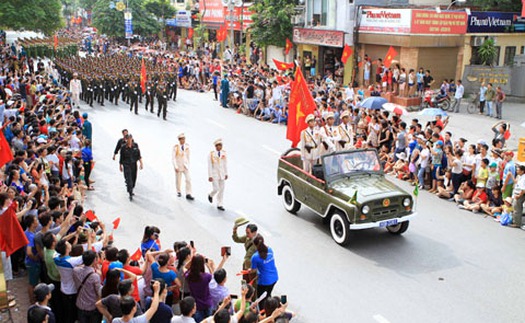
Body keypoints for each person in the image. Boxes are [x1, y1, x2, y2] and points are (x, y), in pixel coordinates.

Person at [250, 234, 278, 310]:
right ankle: (272, 309)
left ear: (255, 245)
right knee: (268, 295)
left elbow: (253, 270)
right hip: (274, 278)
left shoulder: (255, 257)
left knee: (261, 300)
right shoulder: (270, 250)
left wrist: (250, 270)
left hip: (264, 281)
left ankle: (264, 314)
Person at [73, 250, 102, 323]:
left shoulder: (75, 270)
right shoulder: (95, 276)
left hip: (80, 304)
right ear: (94, 260)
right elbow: (99, 292)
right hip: (92, 307)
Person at [119, 134, 143, 201]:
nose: (129, 140)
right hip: (126, 165)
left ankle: (131, 188)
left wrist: (141, 163)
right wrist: (120, 165)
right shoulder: (123, 147)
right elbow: (121, 157)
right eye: (128, 139)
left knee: (133, 178)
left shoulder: (135, 145)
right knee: (129, 179)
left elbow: (139, 155)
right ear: (126, 140)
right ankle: (130, 192)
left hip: (133, 164)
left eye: (130, 139)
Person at [208, 139, 228, 211]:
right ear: (215, 146)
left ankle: (220, 204)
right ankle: (211, 195)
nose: (220, 147)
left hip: (222, 174)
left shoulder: (224, 153)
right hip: (215, 174)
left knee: (222, 189)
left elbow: (225, 164)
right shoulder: (211, 154)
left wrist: (226, 173)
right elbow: (209, 165)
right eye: (218, 145)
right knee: (216, 189)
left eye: (221, 145)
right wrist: (210, 176)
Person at [172, 133, 194, 200]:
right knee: (178, 179)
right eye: (182, 139)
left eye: (184, 139)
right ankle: (178, 191)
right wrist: (175, 166)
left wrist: (187, 164)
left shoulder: (187, 146)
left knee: (188, 179)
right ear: (179, 140)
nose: (183, 140)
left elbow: (188, 156)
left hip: (185, 166)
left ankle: (188, 193)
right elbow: (173, 158)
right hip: (178, 166)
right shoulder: (176, 147)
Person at [510, 163, 525, 229]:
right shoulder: (519, 176)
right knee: (515, 208)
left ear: (522, 171)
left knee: (517, 209)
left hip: (519, 195)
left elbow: (523, 189)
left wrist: (519, 196)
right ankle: (515, 221)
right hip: (516, 193)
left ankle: (517, 223)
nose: (517, 171)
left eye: (518, 170)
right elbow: (516, 183)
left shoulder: (523, 178)